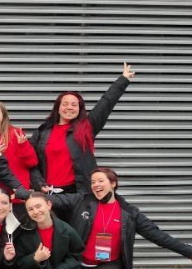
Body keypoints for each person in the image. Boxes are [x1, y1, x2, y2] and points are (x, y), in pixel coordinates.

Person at [46, 167, 192, 269]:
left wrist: (187, 250)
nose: (96, 185)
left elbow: (155, 234)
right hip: (78, 262)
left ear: (113, 183)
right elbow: (55, 200)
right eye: (93, 182)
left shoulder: (129, 213)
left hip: (106, 264)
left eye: (100, 180)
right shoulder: (81, 200)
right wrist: (25, 194)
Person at [30, 63, 135, 195]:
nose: (69, 107)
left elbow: (105, 103)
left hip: (79, 194)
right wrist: (39, 183)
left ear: (79, 109)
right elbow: (30, 162)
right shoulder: (43, 132)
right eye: (65, 104)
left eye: (74, 105)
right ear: (58, 108)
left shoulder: (86, 128)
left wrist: (123, 80)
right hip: (50, 194)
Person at [9, 192, 86, 269]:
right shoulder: (23, 232)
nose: (36, 211)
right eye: (30, 209)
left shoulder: (66, 229)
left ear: (49, 205)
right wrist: (34, 259)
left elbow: (76, 255)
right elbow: (16, 264)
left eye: (39, 206)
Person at [0, 100, 38, 218]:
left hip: (16, 191)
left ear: (3, 114)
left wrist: (23, 146)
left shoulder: (15, 133)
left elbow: (32, 162)